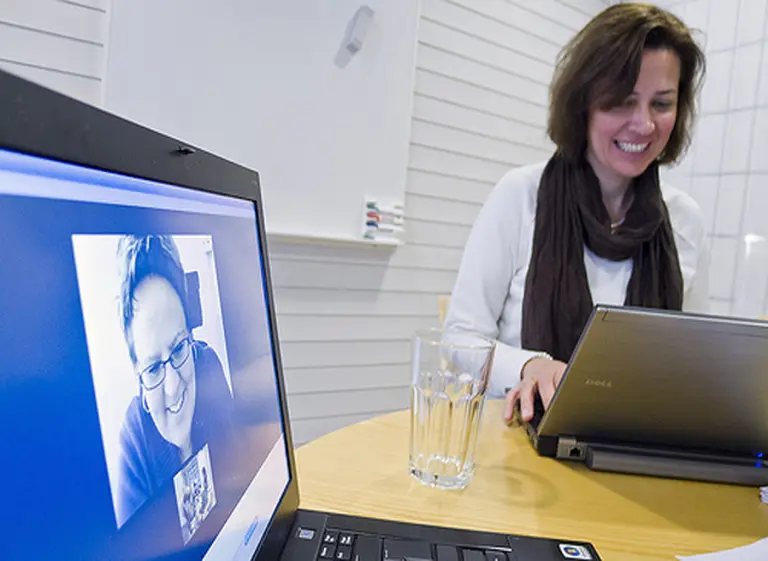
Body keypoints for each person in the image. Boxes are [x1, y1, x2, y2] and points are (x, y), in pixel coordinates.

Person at [444, 4, 709, 426]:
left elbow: (693, 361)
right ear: (583, 101)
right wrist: (530, 366)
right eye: (622, 102)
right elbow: (458, 342)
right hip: (515, 455)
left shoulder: (685, 222)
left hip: (632, 454)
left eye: (662, 104)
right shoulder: (520, 196)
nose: (643, 125)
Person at [115, 235, 233, 527]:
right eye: (153, 369)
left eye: (180, 348)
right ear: (137, 372)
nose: (172, 387)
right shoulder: (134, 442)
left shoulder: (208, 366)